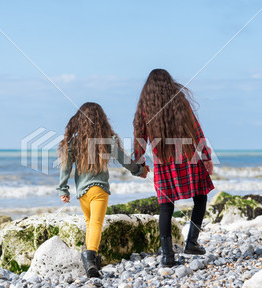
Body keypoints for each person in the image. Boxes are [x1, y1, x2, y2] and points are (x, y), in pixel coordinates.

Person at [133, 69, 214, 267]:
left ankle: (168, 256)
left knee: (166, 207)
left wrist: (140, 162)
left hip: (163, 164)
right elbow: (196, 130)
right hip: (188, 158)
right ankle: (191, 242)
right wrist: (206, 156)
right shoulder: (179, 100)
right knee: (201, 196)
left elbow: (139, 137)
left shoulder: (145, 108)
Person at [57, 102, 149, 277]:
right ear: (102, 121)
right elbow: (125, 161)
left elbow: (65, 168)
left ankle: (94, 258)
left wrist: (63, 189)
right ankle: (90, 258)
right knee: (96, 224)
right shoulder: (107, 141)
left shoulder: (74, 142)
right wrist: (139, 171)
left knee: (90, 223)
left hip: (82, 193)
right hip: (99, 190)